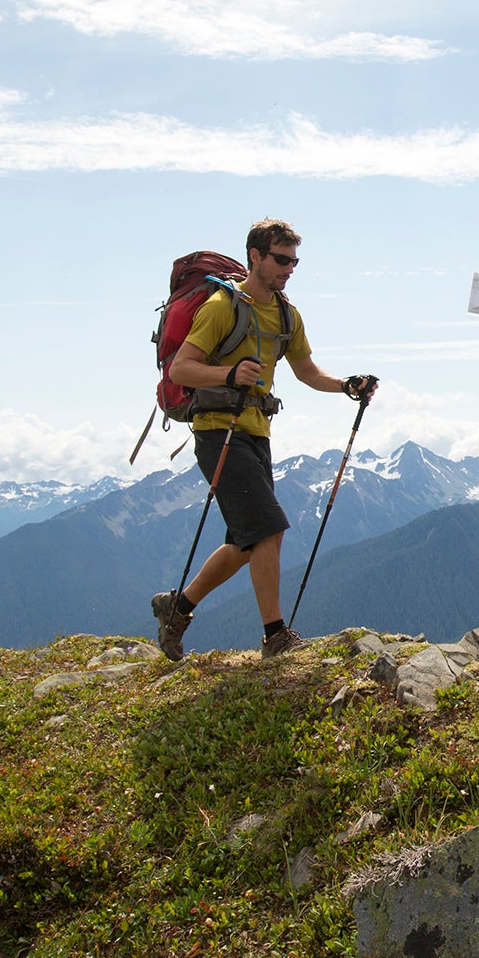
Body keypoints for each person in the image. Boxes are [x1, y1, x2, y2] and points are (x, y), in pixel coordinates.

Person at [152, 219, 376, 659]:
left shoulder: (287, 315)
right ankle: (276, 635)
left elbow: (307, 371)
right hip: (218, 429)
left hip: (255, 431)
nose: (288, 268)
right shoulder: (221, 307)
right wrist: (228, 374)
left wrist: (347, 384)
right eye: (280, 259)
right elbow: (181, 369)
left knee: (244, 541)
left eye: (293, 261)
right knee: (268, 528)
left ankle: (176, 608)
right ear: (255, 256)